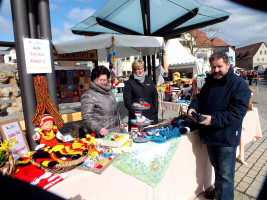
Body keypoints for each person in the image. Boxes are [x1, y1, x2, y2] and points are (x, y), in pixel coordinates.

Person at [187, 52, 251, 200]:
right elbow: (199, 98)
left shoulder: (239, 84)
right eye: (213, 66)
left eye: (219, 66)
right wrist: (193, 107)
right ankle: (218, 192)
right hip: (211, 135)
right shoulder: (210, 81)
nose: (216, 70)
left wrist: (213, 119)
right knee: (217, 169)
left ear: (228, 65)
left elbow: (237, 112)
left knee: (226, 176)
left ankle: (224, 196)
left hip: (226, 136)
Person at [81, 65, 124, 138]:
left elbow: (115, 110)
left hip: (115, 133)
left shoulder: (109, 91)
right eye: (100, 80)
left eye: (105, 80)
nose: (103, 82)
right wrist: (98, 128)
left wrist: (120, 121)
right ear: (94, 79)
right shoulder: (88, 96)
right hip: (101, 135)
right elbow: (87, 117)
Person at [123, 59, 158, 131]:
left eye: (141, 68)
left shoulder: (149, 80)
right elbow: (127, 101)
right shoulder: (129, 83)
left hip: (150, 115)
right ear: (133, 70)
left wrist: (155, 109)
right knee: (138, 138)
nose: (140, 71)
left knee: (151, 136)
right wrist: (136, 114)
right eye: (138, 69)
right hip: (137, 117)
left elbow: (155, 95)